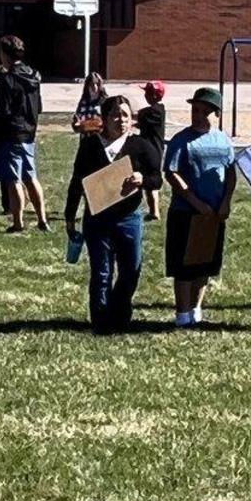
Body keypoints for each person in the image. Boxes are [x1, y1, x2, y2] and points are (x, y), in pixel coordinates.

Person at [63, 95, 160, 334]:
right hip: (98, 219)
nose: (121, 120)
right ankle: (101, 321)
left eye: (126, 115)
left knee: (131, 270)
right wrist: (70, 215)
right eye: (115, 115)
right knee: (102, 272)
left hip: (129, 218)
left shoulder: (140, 145)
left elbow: (156, 179)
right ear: (104, 119)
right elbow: (77, 181)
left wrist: (142, 179)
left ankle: (119, 312)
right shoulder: (90, 145)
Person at [164, 87, 237, 328]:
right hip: (186, 212)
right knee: (184, 264)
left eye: (205, 111)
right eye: (195, 110)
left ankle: (196, 308)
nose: (198, 115)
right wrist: (194, 201)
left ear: (216, 114)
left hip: (214, 213)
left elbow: (230, 173)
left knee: (205, 263)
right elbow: (172, 174)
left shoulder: (223, 140)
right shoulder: (181, 140)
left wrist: (225, 201)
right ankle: (182, 313)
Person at [0, 35, 49, 232]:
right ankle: (42, 219)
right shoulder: (34, 75)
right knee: (31, 177)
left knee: (13, 179)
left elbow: (2, 110)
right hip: (29, 133)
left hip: (12, 134)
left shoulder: (8, 79)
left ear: (5, 54)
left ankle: (18, 222)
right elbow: (38, 106)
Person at [136, 81, 169, 221]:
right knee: (148, 181)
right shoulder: (154, 111)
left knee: (151, 181)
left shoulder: (154, 111)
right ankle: (152, 211)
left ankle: (155, 211)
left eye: (148, 93)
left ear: (155, 95)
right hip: (149, 149)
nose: (145, 95)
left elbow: (140, 116)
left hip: (153, 150)